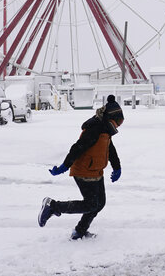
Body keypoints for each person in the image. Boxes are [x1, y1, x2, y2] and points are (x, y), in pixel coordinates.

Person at [39, 94, 124, 240]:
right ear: (110, 119)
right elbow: (78, 148)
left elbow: (110, 149)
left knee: (99, 204)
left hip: (96, 171)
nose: (118, 126)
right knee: (91, 204)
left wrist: (117, 167)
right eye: (118, 122)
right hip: (84, 171)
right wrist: (65, 166)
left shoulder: (105, 131)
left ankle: (80, 231)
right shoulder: (95, 129)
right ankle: (53, 206)